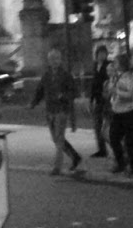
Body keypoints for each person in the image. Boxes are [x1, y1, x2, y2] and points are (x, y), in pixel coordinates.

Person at [30, 47, 83, 175]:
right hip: (50, 111)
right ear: (48, 61)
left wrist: (63, 96)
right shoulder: (47, 75)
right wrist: (33, 103)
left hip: (61, 111)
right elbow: (40, 91)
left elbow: (74, 92)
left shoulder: (65, 75)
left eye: (56, 58)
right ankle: (75, 156)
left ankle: (57, 167)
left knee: (59, 139)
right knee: (56, 139)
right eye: (51, 59)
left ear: (60, 60)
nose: (54, 61)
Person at [105, 52, 133, 175]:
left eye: (115, 62)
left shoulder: (128, 78)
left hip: (130, 111)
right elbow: (111, 92)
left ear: (121, 64)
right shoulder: (117, 77)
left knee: (130, 140)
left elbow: (132, 95)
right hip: (118, 111)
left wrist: (116, 92)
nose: (113, 65)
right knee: (113, 137)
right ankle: (121, 162)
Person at [88, 44, 111, 157]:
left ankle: (115, 147)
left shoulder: (108, 66)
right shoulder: (96, 66)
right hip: (97, 99)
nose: (102, 56)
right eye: (100, 54)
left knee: (106, 127)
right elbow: (94, 84)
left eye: (104, 54)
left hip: (106, 100)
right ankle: (101, 149)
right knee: (97, 125)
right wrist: (91, 99)